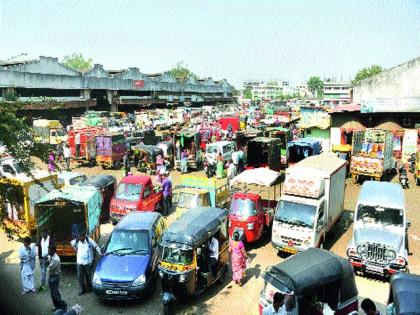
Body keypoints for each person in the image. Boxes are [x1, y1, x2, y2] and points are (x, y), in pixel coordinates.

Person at [48, 245, 67, 311]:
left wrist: (48, 265)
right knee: (55, 293)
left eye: (49, 249)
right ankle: (57, 307)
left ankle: (63, 305)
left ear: (53, 251)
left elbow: (50, 269)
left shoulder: (56, 259)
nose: (48, 251)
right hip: (52, 276)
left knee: (54, 294)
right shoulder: (52, 256)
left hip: (54, 277)